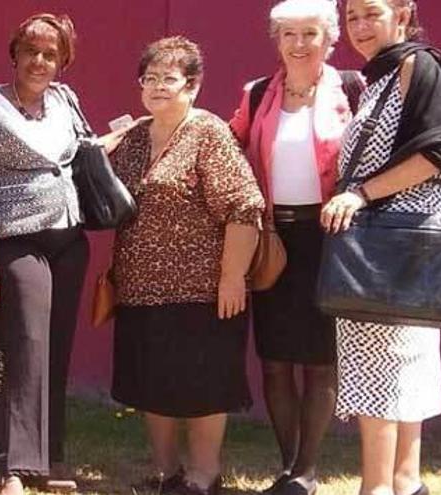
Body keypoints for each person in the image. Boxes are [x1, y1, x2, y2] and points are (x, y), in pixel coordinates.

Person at [0, 13, 127, 495]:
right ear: (14, 54)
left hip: (68, 237)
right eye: (31, 51)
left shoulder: (65, 100)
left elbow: (81, 153)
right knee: (27, 345)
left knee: (55, 349)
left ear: (63, 62)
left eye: (50, 54)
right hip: (19, 239)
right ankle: (14, 466)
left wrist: (115, 139)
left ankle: (51, 458)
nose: (39, 61)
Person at [319, 1, 441, 494]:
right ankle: (405, 483)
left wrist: (359, 192)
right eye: (352, 18)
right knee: (406, 365)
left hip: (392, 244)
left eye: (372, 14)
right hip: (395, 243)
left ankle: (376, 487)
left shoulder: (415, 64)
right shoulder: (382, 75)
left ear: (402, 14)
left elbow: (435, 155)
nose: (360, 27)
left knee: (380, 369)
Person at [109, 36, 264, 495]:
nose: (157, 87)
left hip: (202, 289)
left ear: (192, 86)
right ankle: (165, 470)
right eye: (149, 78)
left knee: (203, 384)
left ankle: (203, 472)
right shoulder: (134, 137)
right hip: (140, 288)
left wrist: (232, 277)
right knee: (151, 382)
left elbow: (244, 207)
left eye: (168, 79)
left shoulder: (208, 133)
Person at [229, 2, 356, 493]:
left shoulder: (353, 90)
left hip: (328, 238)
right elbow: (228, 145)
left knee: (321, 360)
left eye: (310, 33)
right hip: (273, 239)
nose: (299, 44)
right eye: (289, 35)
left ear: (329, 39)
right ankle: (289, 467)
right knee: (276, 359)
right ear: (277, 41)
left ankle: (307, 469)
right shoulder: (257, 94)